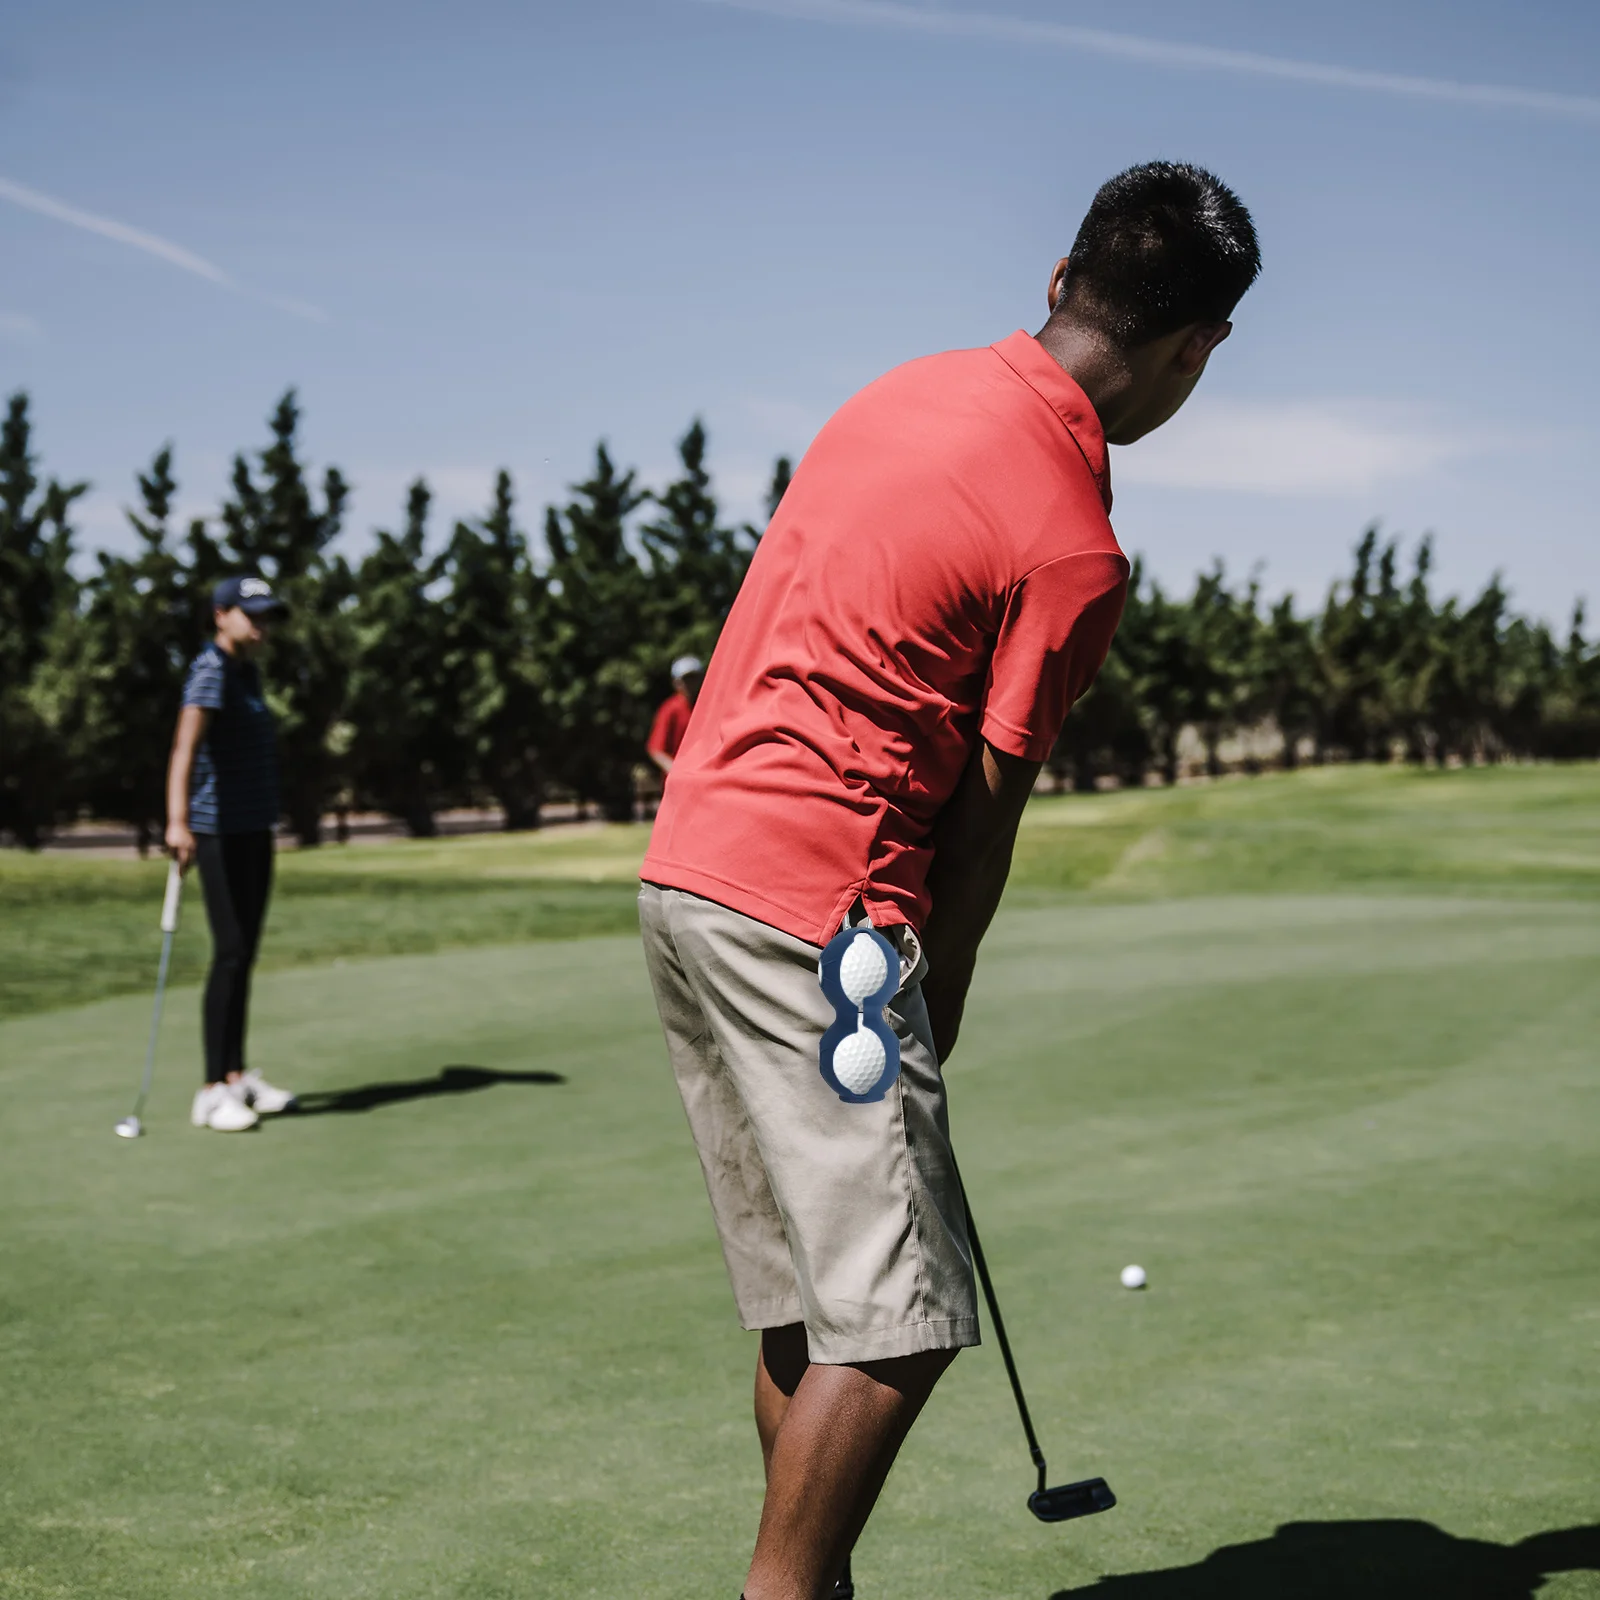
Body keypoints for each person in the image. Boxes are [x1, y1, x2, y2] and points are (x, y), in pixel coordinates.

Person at [637, 162, 1260, 1600]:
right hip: (819, 920)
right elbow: (986, 809)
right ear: (1196, 351)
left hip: (686, 881)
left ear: (1057, 280)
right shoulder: (1076, 541)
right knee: (904, 1320)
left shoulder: (895, 393)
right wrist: (943, 990)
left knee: (809, 1305)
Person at [164, 575, 299, 1133]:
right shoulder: (211, 670)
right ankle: (211, 1089)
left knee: (244, 953)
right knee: (229, 951)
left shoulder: (247, 673)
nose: (260, 624)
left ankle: (237, 1076)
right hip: (216, 830)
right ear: (221, 614)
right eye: (251, 614)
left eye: (266, 615)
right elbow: (184, 747)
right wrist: (177, 822)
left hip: (252, 828)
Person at [646, 654, 704, 777]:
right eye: (686, 679)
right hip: (680, 780)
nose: (690, 683)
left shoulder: (709, 705)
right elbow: (656, 750)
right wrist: (677, 772)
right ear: (676, 683)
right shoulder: (670, 709)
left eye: (693, 678)